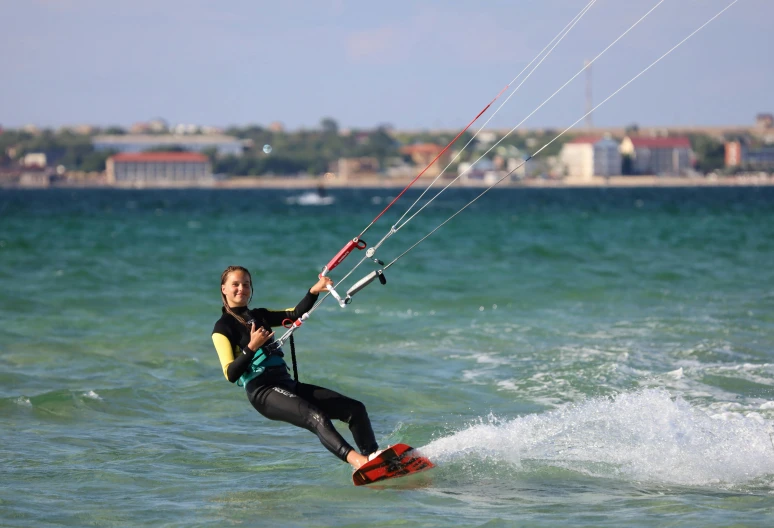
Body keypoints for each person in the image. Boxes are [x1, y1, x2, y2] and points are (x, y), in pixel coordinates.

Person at [212, 265, 380, 470]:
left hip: (286, 384)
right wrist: (251, 347)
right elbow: (230, 373)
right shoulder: (222, 328)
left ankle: (374, 458)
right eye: (235, 284)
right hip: (263, 392)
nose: (241, 289)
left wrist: (314, 291)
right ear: (224, 289)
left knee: (355, 409)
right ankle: (361, 463)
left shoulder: (260, 315)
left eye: (246, 284)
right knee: (315, 417)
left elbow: (294, 314)